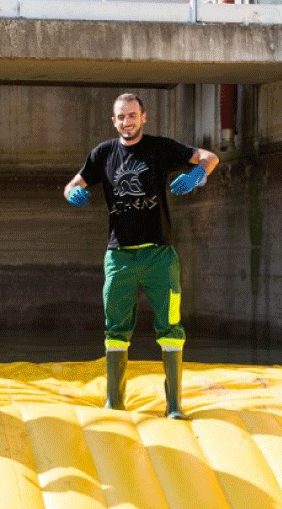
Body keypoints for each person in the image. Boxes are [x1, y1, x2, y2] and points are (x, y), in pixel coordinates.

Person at [63, 93, 219, 419]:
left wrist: (197, 175)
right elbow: (72, 183)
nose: (126, 121)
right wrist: (73, 192)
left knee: (171, 326)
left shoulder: (161, 148)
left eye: (132, 115)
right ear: (114, 120)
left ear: (143, 117)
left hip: (160, 255)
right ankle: (114, 402)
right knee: (115, 330)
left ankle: (174, 405)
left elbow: (209, 156)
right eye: (121, 117)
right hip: (119, 256)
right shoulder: (102, 154)